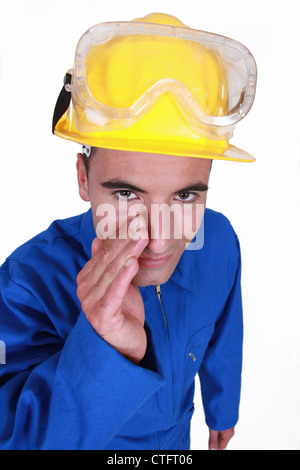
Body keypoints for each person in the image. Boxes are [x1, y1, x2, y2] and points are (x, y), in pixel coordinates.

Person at [0, 12, 257, 450]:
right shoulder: (25, 284)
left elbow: (223, 336)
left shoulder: (218, 241)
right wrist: (105, 352)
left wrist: (223, 409)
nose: (157, 241)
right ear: (83, 177)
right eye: (125, 195)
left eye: (185, 196)